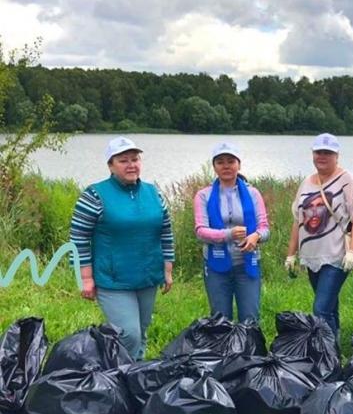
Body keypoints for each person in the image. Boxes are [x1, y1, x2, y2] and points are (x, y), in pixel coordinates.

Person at [70, 136, 174, 360]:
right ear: (111, 165)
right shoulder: (94, 195)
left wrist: (167, 269)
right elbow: (79, 238)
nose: (131, 165)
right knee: (129, 334)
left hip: (148, 276)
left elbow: (165, 231)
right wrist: (85, 277)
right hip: (114, 280)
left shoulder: (153, 192)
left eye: (135, 159)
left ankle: (134, 377)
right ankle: (112, 372)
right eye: (123, 160)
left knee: (142, 331)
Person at [285, 133, 353, 337]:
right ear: (313, 154)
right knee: (329, 307)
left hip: (336, 255)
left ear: (336, 155)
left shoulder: (347, 180)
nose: (322, 156)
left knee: (320, 309)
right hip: (312, 255)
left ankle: (326, 354)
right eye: (318, 152)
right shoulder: (306, 183)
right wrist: (291, 254)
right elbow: (298, 220)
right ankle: (335, 349)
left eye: (328, 153)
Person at [193, 142, 270, 321]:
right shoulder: (203, 195)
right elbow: (200, 231)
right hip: (215, 267)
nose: (226, 166)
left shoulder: (253, 193)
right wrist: (228, 234)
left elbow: (265, 228)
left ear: (239, 165)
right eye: (220, 162)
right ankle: (221, 349)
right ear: (214, 167)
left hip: (247, 264)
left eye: (231, 161)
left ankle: (250, 349)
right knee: (220, 320)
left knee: (250, 318)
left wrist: (256, 236)